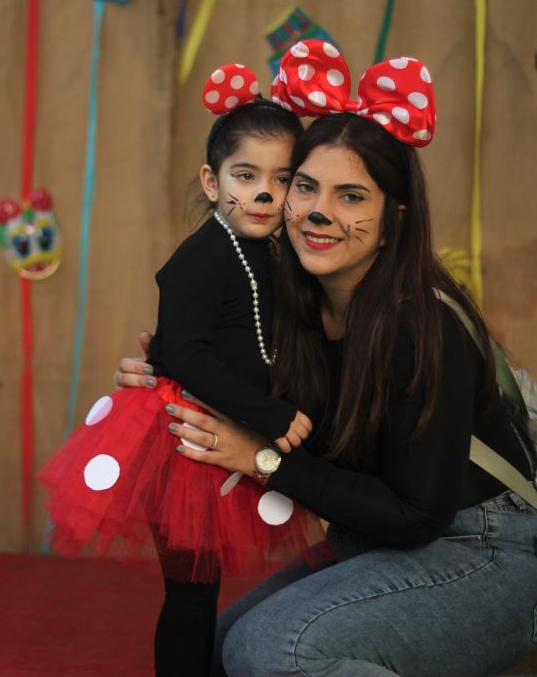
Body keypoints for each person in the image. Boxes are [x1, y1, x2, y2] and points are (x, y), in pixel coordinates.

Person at [118, 40, 537, 676]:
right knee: (221, 658)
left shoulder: (421, 324)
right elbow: (228, 381)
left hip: (487, 549)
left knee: (272, 651)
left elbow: (418, 515)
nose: (318, 210)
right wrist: (162, 377)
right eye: (305, 186)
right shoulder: (292, 304)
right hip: (372, 538)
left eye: (352, 196)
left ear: (394, 218)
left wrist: (260, 458)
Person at [38, 62, 322, 677]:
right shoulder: (201, 257)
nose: (264, 194)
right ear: (212, 181)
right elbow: (188, 356)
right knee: (191, 592)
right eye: (246, 176)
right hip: (181, 439)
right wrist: (270, 412)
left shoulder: (270, 252)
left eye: (282, 179)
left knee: (203, 589)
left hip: (221, 425)